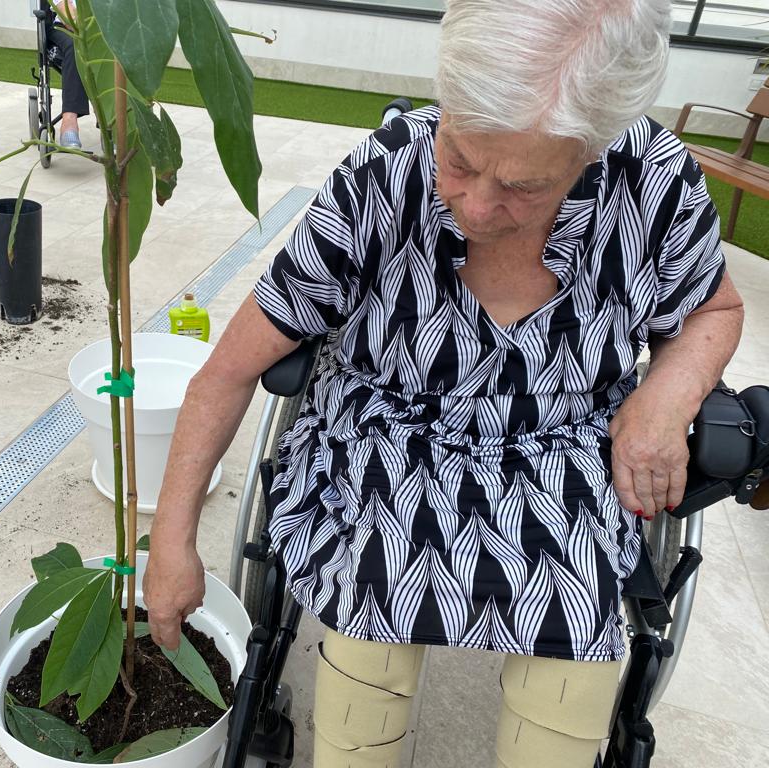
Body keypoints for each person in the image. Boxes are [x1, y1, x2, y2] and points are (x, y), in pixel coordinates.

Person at [143, 0, 746, 766]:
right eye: (459, 158)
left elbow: (713, 309)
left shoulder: (652, 184)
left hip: (556, 449)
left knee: (574, 649)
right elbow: (225, 372)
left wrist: (668, 394)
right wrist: (172, 540)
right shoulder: (383, 178)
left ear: (592, 151)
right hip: (385, 434)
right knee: (372, 627)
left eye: (524, 186)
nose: (477, 204)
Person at [47, 1, 91, 150]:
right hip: (64, 28)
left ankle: (112, 123)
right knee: (75, 46)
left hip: (96, 30)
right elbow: (66, 12)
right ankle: (69, 121)